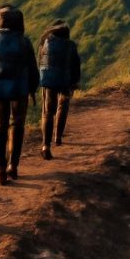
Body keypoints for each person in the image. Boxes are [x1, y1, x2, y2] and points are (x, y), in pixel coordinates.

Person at [0, 5, 39, 185]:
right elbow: (33, 69)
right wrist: (32, 89)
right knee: (17, 126)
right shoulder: (24, 42)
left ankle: (0, 170)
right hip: (19, 88)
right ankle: (13, 165)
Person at [38, 19, 81, 159]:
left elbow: (40, 62)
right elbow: (76, 66)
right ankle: (58, 137)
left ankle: (45, 145)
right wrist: (74, 82)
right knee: (63, 105)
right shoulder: (71, 46)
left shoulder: (44, 43)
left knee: (48, 112)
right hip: (64, 81)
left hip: (48, 80)